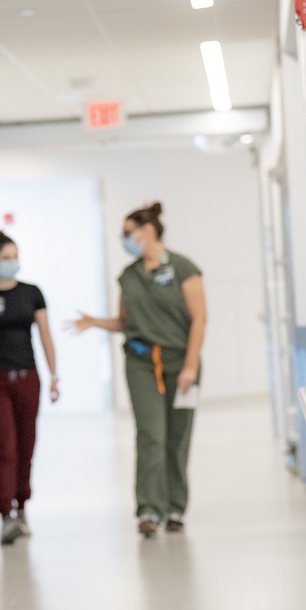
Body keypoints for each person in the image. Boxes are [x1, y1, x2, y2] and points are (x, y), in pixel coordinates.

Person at [73, 202, 207, 537]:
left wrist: (191, 366)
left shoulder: (183, 268)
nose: (124, 239)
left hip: (180, 363)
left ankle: (175, 506)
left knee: (177, 437)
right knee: (151, 434)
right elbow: (124, 321)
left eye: (127, 233)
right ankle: (149, 509)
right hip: (141, 362)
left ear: (147, 231)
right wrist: (95, 322)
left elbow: (200, 319)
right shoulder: (129, 276)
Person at [0, 231, 59, 545]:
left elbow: (45, 335)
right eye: (5, 257)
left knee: (26, 443)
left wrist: (55, 374)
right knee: (3, 447)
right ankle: (6, 514)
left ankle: (23, 507)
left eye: (14, 256)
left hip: (28, 377)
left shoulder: (32, 293)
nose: (10, 262)